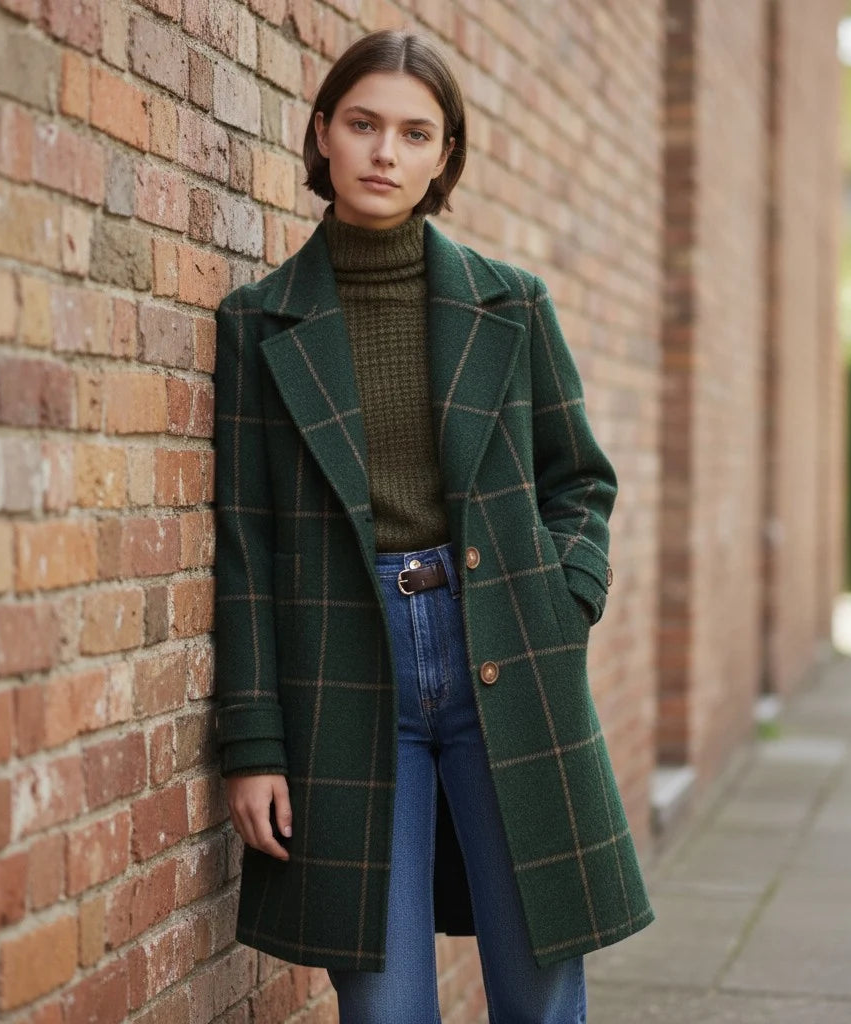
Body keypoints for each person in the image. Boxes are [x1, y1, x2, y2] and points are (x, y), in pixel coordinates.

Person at [213, 29, 653, 1024]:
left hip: (503, 641)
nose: (384, 153)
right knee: (383, 1003)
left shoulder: (511, 305)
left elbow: (578, 479)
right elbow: (244, 547)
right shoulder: (258, 323)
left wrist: (562, 600)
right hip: (344, 670)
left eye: (416, 133)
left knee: (539, 987)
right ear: (321, 131)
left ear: (444, 155)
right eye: (363, 124)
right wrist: (252, 740)